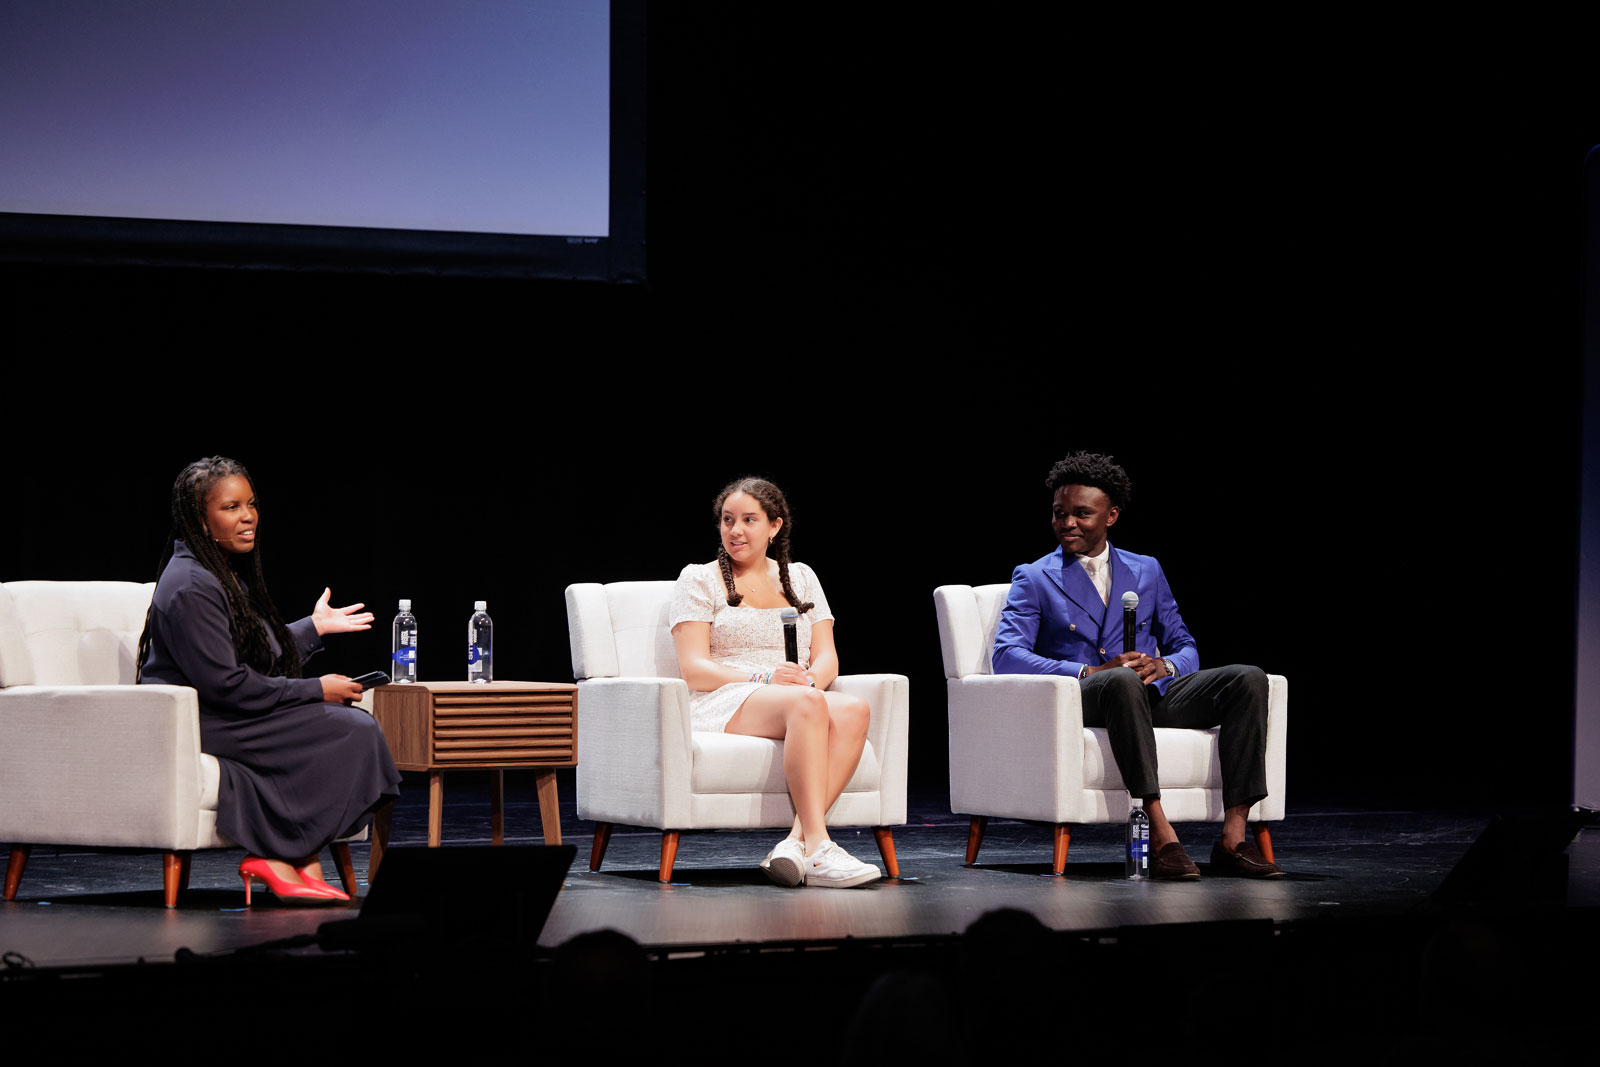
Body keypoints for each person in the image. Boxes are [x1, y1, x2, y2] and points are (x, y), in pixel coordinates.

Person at [991, 452, 1281, 879]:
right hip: (1087, 696)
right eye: (1059, 513)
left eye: (1081, 514)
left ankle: (1234, 840)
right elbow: (1006, 655)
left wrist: (1165, 665)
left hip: (1151, 692)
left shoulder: (1147, 569)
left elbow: (1185, 644)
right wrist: (1088, 673)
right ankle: (1161, 832)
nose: (1067, 523)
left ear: (1111, 516)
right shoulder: (1034, 576)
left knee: (1248, 679)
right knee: (1122, 681)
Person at [136, 456, 401, 905]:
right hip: (204, 719)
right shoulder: (190, 586)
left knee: (349, 728)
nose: (248, 517)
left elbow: (258, 654)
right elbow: (227, 684)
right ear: (200, 520)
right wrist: (317, 689)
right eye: (231, 507)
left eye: (251, 504)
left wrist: (312, 628)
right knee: (349, 730)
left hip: (228, 711)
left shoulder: (216, 575)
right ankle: (284, 855)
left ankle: (290, 857)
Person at [669, 477, 880, 888]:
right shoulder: (699, 579)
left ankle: (794, 843)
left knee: (854, 708)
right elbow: (694, 669)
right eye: (728, 520)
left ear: (775, 526)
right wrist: (767, 677)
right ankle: (820, 846)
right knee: (806, 704)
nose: (736, 530)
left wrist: (809, 681)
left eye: (749, 520)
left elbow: (826, 656)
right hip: (726, 695)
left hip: (792, 694)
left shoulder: (800, 577)